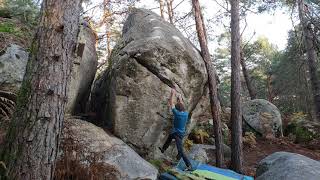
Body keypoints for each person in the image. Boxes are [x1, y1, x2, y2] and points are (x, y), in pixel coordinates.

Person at [159, 88, 192, 171]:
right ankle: (163, 149)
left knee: (180, 150)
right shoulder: (186, 113)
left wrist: (172, 93)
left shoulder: (176, 113)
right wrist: (180, 98)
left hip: (177, 134)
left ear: (177, 109)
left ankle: (189, 165)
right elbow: (181, 105)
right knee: (170, 137)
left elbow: (171, 103)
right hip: (180, 133)